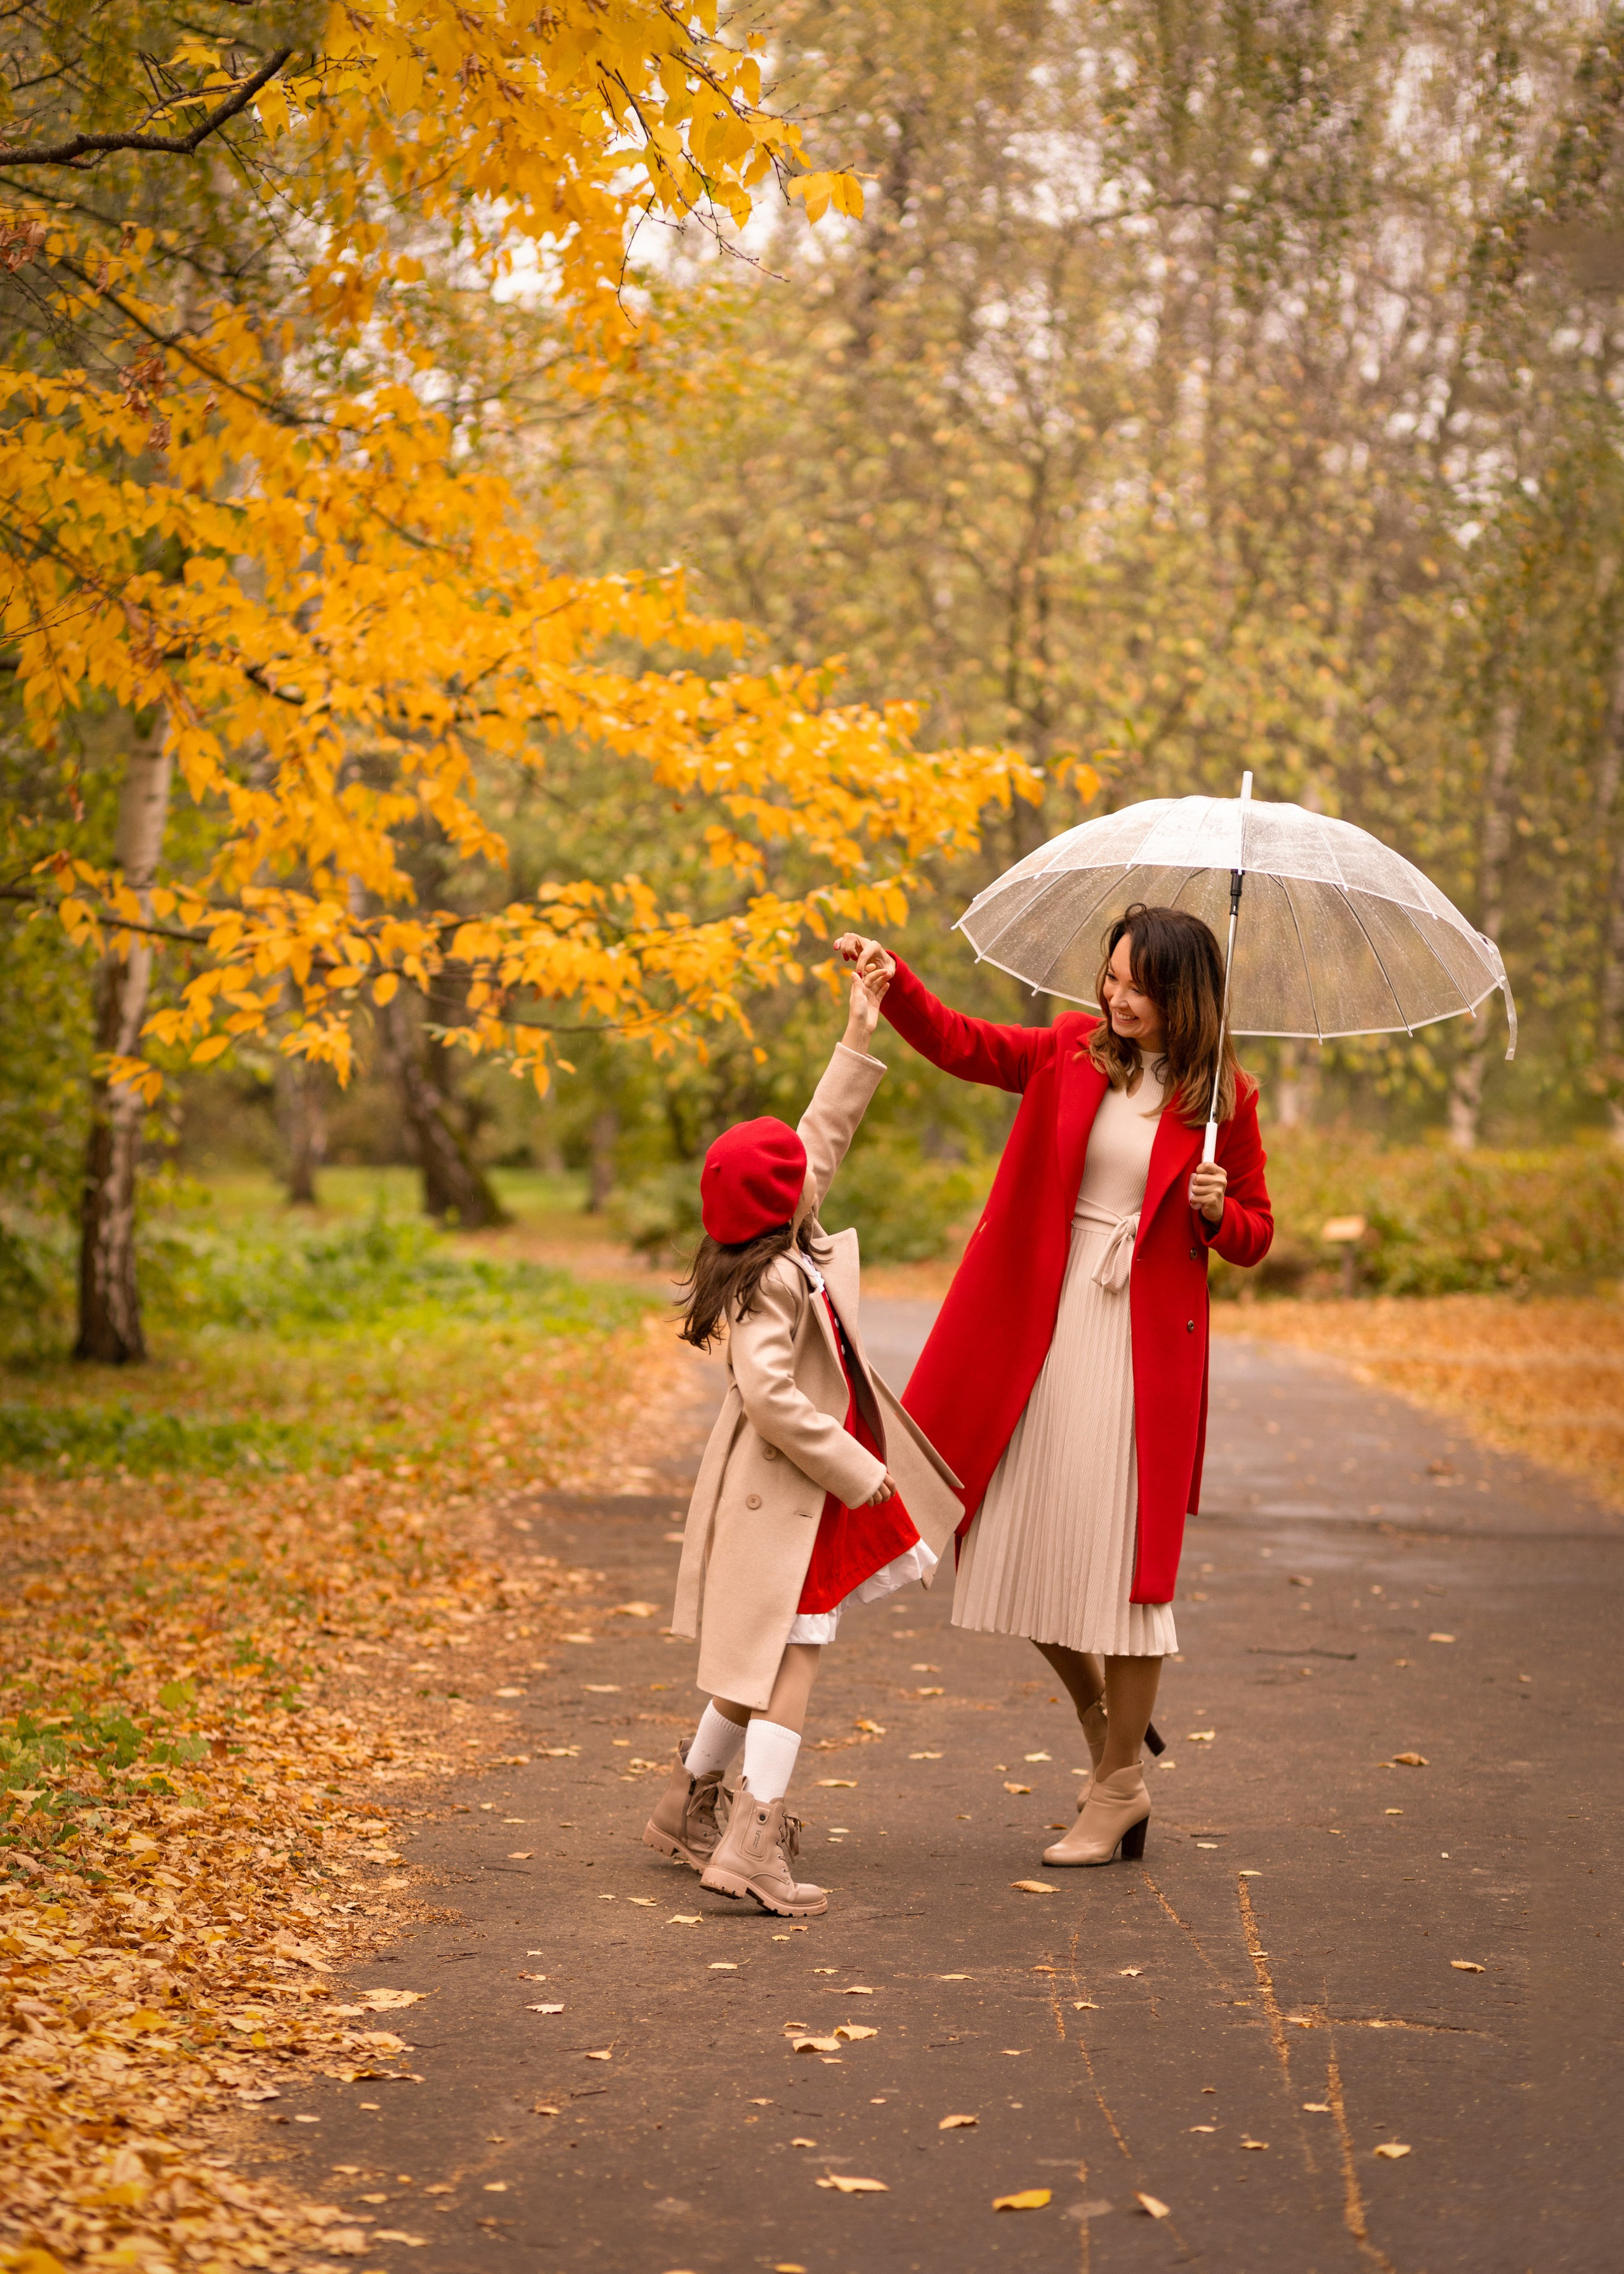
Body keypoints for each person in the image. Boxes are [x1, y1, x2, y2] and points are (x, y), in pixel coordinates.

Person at [835, 906, 1273, 1867]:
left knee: (1124, 1564)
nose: (1116, 997)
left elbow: (1257, 1233)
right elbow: (961, 1043)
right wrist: (894, 980)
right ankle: (1103, 1715)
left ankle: (1117, 1788)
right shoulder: (1071, 1050)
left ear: (1183, 996)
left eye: (1138, 986)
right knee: (1001, 1534)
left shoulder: (1223, 1101)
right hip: (1040, 1318)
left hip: (1140, 1345)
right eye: (1110, 976)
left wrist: (1217, 1213)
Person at [646, 965, 963, 1918]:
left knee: (762, 1652)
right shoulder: (773, 1280)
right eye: (796, 1179)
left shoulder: (767, 1240)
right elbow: (770, 1395)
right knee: (793, 1657)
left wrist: (858, 1032)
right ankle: (752, 1839)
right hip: (790, 1491)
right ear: (780, 1204)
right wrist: (856, 1467)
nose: (809, 1175)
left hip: (798, 1492)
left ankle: (685, 1803)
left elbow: (817, 1139)